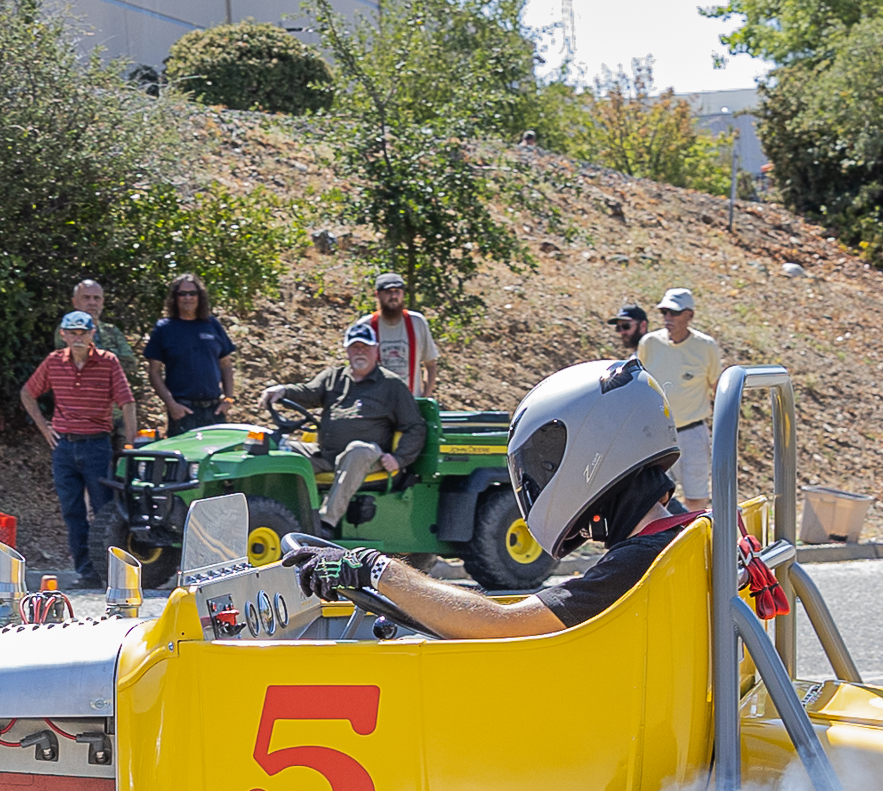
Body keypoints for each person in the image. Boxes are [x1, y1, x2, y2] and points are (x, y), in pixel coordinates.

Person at [293, 357, 696, 638]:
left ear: (594, 449)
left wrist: (374, 569)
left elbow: (502, 626)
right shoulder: (687, 536)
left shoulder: (647, 560)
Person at [261, 326, 429, 529]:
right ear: (347, 351)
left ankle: (325, 523)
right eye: (355, 347)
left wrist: (400, 458)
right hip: (327, 455)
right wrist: (283, 390)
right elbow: (309, 392)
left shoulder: (391, 385)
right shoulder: (334, 377)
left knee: (357, 450)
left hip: (369, 458)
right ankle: (277, 516)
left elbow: (415, 427)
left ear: (376, 350)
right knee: (279, 448)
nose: (360, 351)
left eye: (365, 347)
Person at [22, 310, 138, 588]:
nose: (77, 338)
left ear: (92, 334)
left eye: (83, 333)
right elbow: (28, 392)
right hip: (63, 445)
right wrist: (44, 428)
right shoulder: (54, 362)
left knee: (104, 511)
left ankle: (112, 573)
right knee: (72, 511)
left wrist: (130, 444)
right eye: (72, 333)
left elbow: (127, 402)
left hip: (96, 444)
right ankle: (87, 572)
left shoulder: (108, 362)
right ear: (63, 335)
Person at [638, 286, 723, 510]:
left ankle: (693, 539)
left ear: (690, 315)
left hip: (692, 431)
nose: (668, 318)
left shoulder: (705, 347)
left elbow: (718, 387)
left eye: (674, 313)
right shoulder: (649, 343)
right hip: (656, 433)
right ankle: (663, 541)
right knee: (656, 497)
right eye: (664, 312)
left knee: (696, 495)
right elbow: (639, 385)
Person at [140, 272, 236, 434]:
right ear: (174, 298)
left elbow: (226, 366)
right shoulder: (165, 328)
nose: (188, 298)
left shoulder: (212, 324)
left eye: (193, 293)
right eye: (182, 294)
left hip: (215, 410)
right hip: (183, 410)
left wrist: (228, 399)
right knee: (184, 459)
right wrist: (171, 404)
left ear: (200, 297)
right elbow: (154, 372)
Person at [353, 273, 441, 398]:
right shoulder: (366, 326)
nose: (393, 296)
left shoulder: (417, 322)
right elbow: (357, 368)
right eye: (388, 292)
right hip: (376, 405)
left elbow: (431, 364)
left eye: (397, 291)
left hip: (411, 402)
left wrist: (425, 398)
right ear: (377, 295)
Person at [70, 278, 145, 398]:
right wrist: (111, 362)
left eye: (96, 298)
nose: (92, 302)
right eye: (86, 298)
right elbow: (75, 365)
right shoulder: (67, 332)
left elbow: (130, 363)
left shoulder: (112, 331)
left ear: (102, 302)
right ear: (75, 302)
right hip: (82, 406)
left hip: (114, 409)